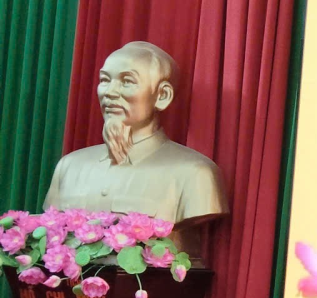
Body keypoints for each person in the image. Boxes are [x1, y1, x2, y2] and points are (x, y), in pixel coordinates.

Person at [43, 41, 227, 230]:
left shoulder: (194, 173)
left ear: (162, 96)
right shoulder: (69, 167)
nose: (109, 92)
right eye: (105, 80)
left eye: (127, 81)